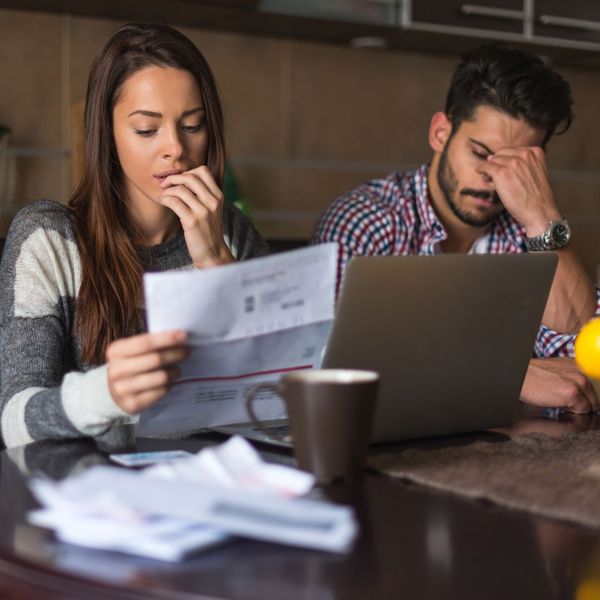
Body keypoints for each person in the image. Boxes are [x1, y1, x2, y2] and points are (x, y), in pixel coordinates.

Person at [0, 23, 269, 448]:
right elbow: (15, 422)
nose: (175, 149)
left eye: (192, 125)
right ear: (107, 136)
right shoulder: (49, 240)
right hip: (93, 497)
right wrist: (106, 393)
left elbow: (276, 398)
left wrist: (217, 264)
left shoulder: (231, 232)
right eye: (147, 130)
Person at [314, 43, 600, 414]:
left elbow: (586, 361)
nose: (492, 177)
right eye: (481, 153)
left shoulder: (529, 231)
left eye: (515, 164)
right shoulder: (367, 220)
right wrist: (510, 374)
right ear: (440, 133)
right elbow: (337, 375)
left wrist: (543, 218)